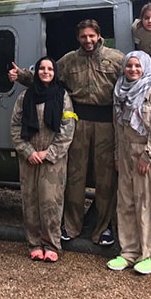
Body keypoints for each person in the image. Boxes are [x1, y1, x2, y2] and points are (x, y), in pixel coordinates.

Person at [9, 19, 123, 247]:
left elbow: (136, 76)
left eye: (91, 36)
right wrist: (22, 76)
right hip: (78, 122)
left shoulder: (117, 58)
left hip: (106, 124)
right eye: (83, 37)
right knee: (74, 177)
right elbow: (46, 75)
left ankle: (103, 228)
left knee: (106, 178)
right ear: (78, 38)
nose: (88, 40)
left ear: (99, 35)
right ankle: (71, 226)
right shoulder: (70, 60)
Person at [107, 51, 151, 275]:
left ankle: (150, 255)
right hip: (126, 153)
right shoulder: (119, 91)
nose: (133, 70)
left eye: (137, 66)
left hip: (148, 153)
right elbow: (117, 127)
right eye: (129, 66)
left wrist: (148, 154)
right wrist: (117, 155)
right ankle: (128, 252)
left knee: (149, 204)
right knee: (126, 204)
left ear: (145, 67)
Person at [10, 56, 77, 262]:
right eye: (42, 68)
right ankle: (34, 243)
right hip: (29, 156)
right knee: (30, 200)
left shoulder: (62, 96)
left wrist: (50, 153)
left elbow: (67, 128)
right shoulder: (25, 96)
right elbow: (15, 126)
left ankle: (52, 244)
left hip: (53, 158)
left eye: (50, 69)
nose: (46, 72)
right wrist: (28, 151)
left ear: (55, 72)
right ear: (37, 71)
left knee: (51, 201)